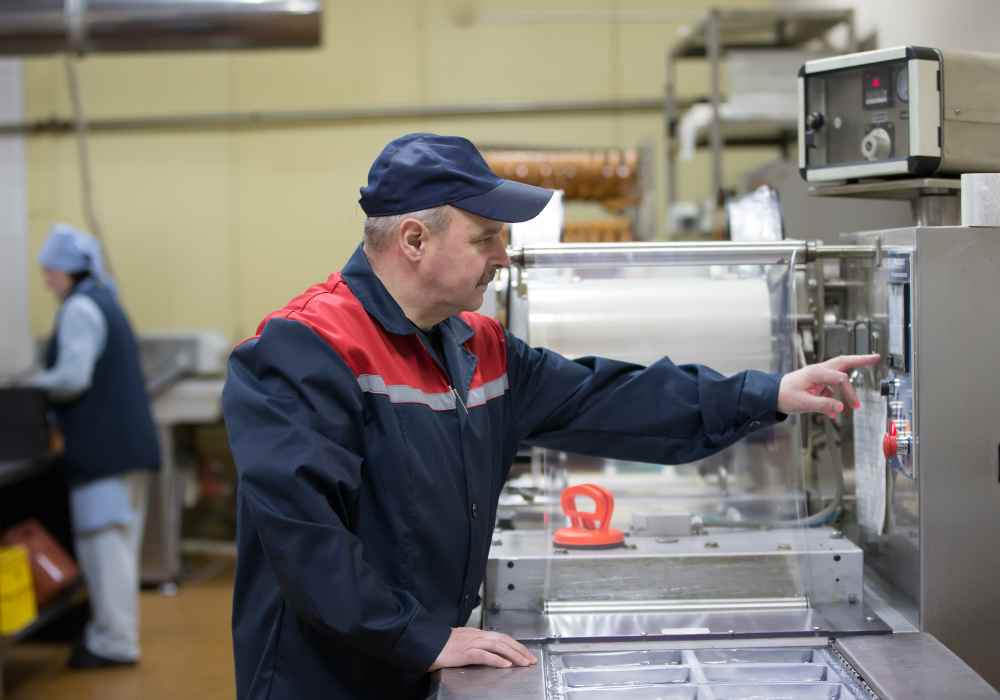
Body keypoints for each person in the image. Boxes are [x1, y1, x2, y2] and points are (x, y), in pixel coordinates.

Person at [222, 133, 879, 700]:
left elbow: (611, 398)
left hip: (427, 660)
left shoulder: (476, 346)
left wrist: (766, 393)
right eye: (487, 238)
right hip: (328, 677)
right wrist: (415, 636)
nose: (503, 257)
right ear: (415, 239)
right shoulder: (306, 349)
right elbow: (303, 537)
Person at [29, 223, 159, 669]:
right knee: (118, 546)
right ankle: (114, 635)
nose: (45, 280)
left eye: (48, 271)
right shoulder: (105, 300)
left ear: (65, 270)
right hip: (127, 449)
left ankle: (114, 642)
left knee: (104, 548)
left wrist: (26, 386)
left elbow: (72, 378)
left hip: (103, 453)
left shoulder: (80, 308)